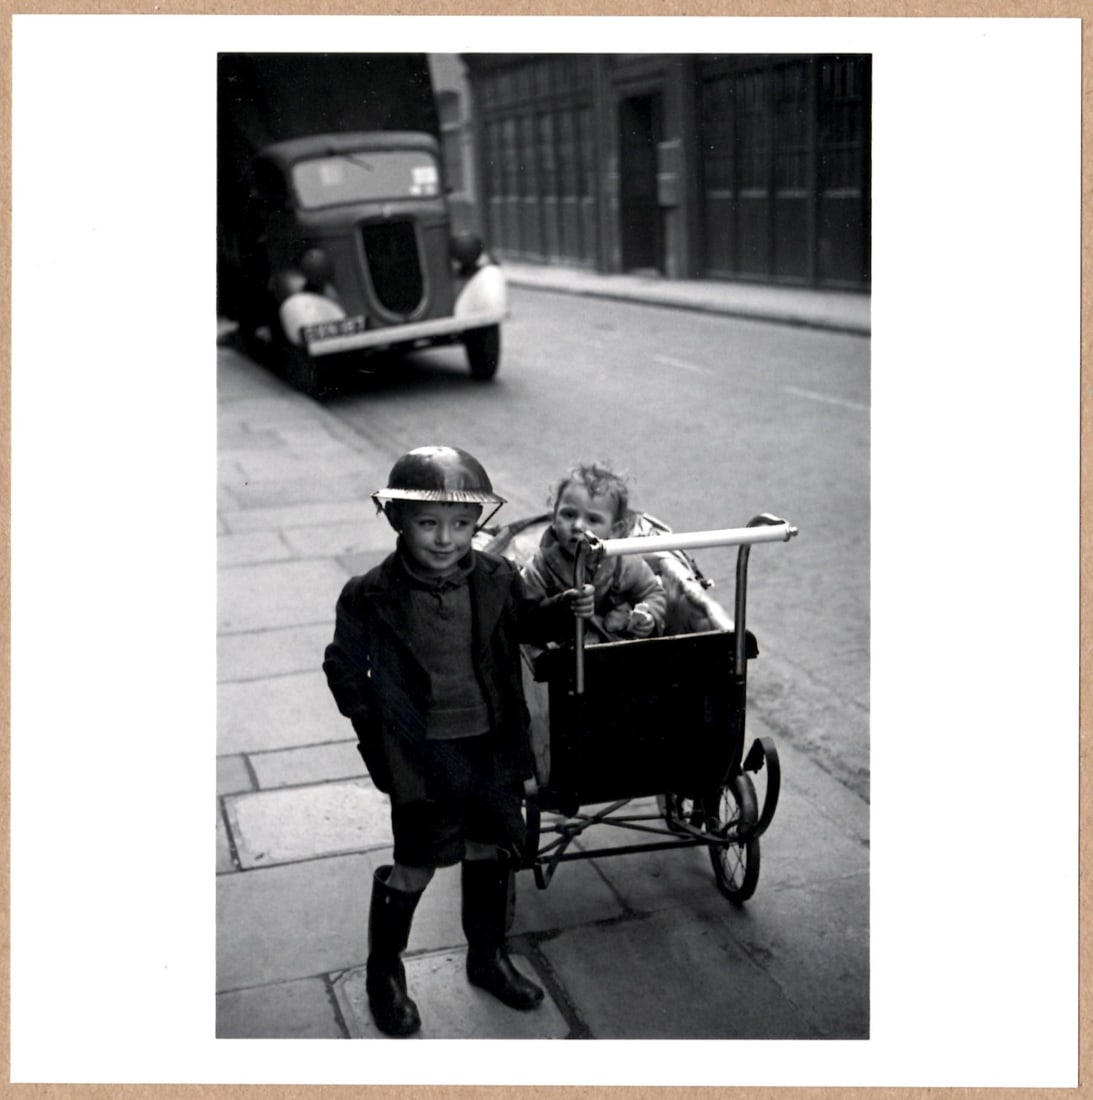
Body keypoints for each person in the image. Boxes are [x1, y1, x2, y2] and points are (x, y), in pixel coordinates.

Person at [322, 446, 590, 1037]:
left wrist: (561, 610)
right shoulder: (369, 593)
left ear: (478, 525)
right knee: (415, 865)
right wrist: (376, 726)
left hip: (490, 749)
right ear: (398, 520)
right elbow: (342, 665)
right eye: (428, 523)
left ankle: (487, 957)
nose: (446, 538)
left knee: (490, 851)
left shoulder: (496, 578)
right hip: (423, 758)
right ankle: (384, 974)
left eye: (462, 525)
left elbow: (526, 624)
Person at [521, 462, 667, 642]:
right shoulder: (541, 567)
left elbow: (653, 592)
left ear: (614, 530)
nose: (578, 526)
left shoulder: (623, 560)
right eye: (568, 515)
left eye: (592, 520)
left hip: (612, 641)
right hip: (562, 647)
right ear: (554, 517)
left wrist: (648, 616)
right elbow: (525, 614)